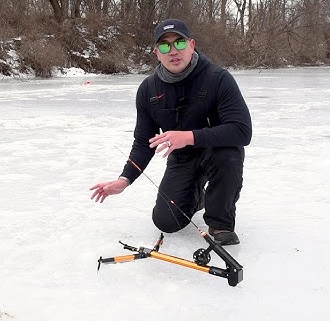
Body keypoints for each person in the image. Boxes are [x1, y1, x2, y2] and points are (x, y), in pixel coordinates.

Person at [89, 19, 252, 246]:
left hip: (218, 152)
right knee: (166, 221)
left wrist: (188, 137)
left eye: (180, 43)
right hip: (183, 159)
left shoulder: (218, 78)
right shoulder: (149, 89)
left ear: (192, 45)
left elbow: (242, 131)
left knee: (229, 155)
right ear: (157, 52)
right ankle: (199, 198)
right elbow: (143, 142)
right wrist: (125, 179)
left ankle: (220, 222)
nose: (173, 51)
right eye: (165, 46)